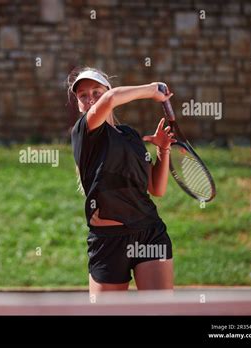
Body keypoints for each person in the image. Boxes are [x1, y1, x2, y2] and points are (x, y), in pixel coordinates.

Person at [68, 67, 176, 295]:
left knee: (160, 311)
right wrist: (151, 90)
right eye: (83, 96)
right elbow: (111, 98)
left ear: (105, 90)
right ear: (78, 103)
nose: (90, 99)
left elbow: (157, 188)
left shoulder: (129, 135)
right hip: (108, 243)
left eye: (96, 92)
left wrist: (163, 150)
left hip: (148, 232)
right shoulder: (84, 132)